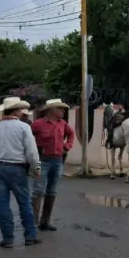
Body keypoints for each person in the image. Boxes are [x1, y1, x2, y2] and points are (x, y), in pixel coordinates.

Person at [0, 96, 42, 248]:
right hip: (17, 168)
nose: (23, 112)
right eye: (21, 109)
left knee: (2, 204)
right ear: (16, 111)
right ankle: (30, 235)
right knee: (24, 203)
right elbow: (31, 152)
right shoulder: (24, 128)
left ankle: (8, 238)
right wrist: (36, 167)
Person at [31, 98, 75, 231]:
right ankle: (32, 223)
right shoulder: (38, 124)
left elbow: (71, 134)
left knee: (52, 191)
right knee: (37, 191)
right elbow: (27, 138)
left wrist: (67, 146)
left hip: (57, 160)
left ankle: (45, 221)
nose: (62, 111)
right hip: (41, 160)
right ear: (51, 110)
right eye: (60, 108)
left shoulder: (63, 124)